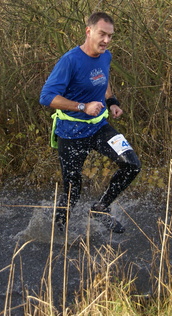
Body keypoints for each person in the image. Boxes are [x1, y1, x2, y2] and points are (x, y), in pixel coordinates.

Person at [39, 12, 142, 234]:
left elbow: (103, 79)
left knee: (132, 164)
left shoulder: (106, 56)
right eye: (102, 34)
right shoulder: (70, 61)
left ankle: (100, 208)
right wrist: (82, 106)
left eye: (110, 36)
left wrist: (112, 101)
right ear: (89, 31)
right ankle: (57, 235)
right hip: (71, 133)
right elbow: (46, 97)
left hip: (98, 127)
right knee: (72, 192)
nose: (106, 40)